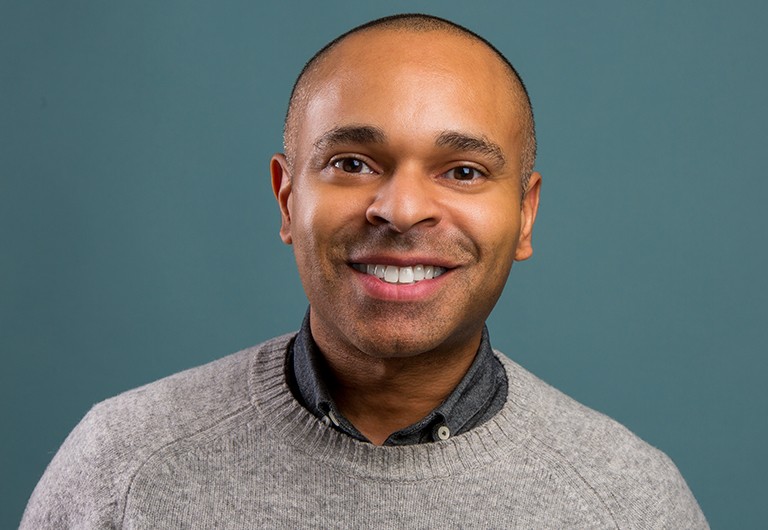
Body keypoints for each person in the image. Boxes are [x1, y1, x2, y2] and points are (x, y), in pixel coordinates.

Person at [22, 13, 708, 528]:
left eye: (463, 171)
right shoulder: (121, 468)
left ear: (524, 215)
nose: (402, 210)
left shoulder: (628, 502)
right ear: (287, 198)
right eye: (352, 163)